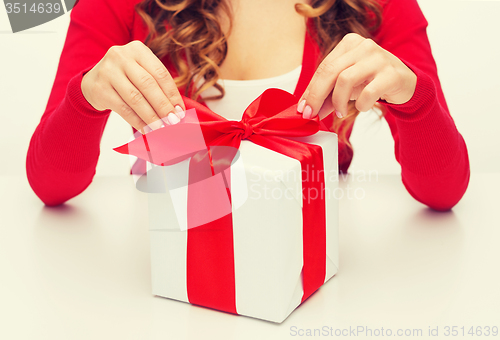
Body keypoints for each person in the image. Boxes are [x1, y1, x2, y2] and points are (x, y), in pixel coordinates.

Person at [26, 0, 470, 211]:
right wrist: (85, 98)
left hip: (320, 241)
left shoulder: (381, 4)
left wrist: (416, 99)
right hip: (165, 241)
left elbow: (443, 192)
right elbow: (50, 187)